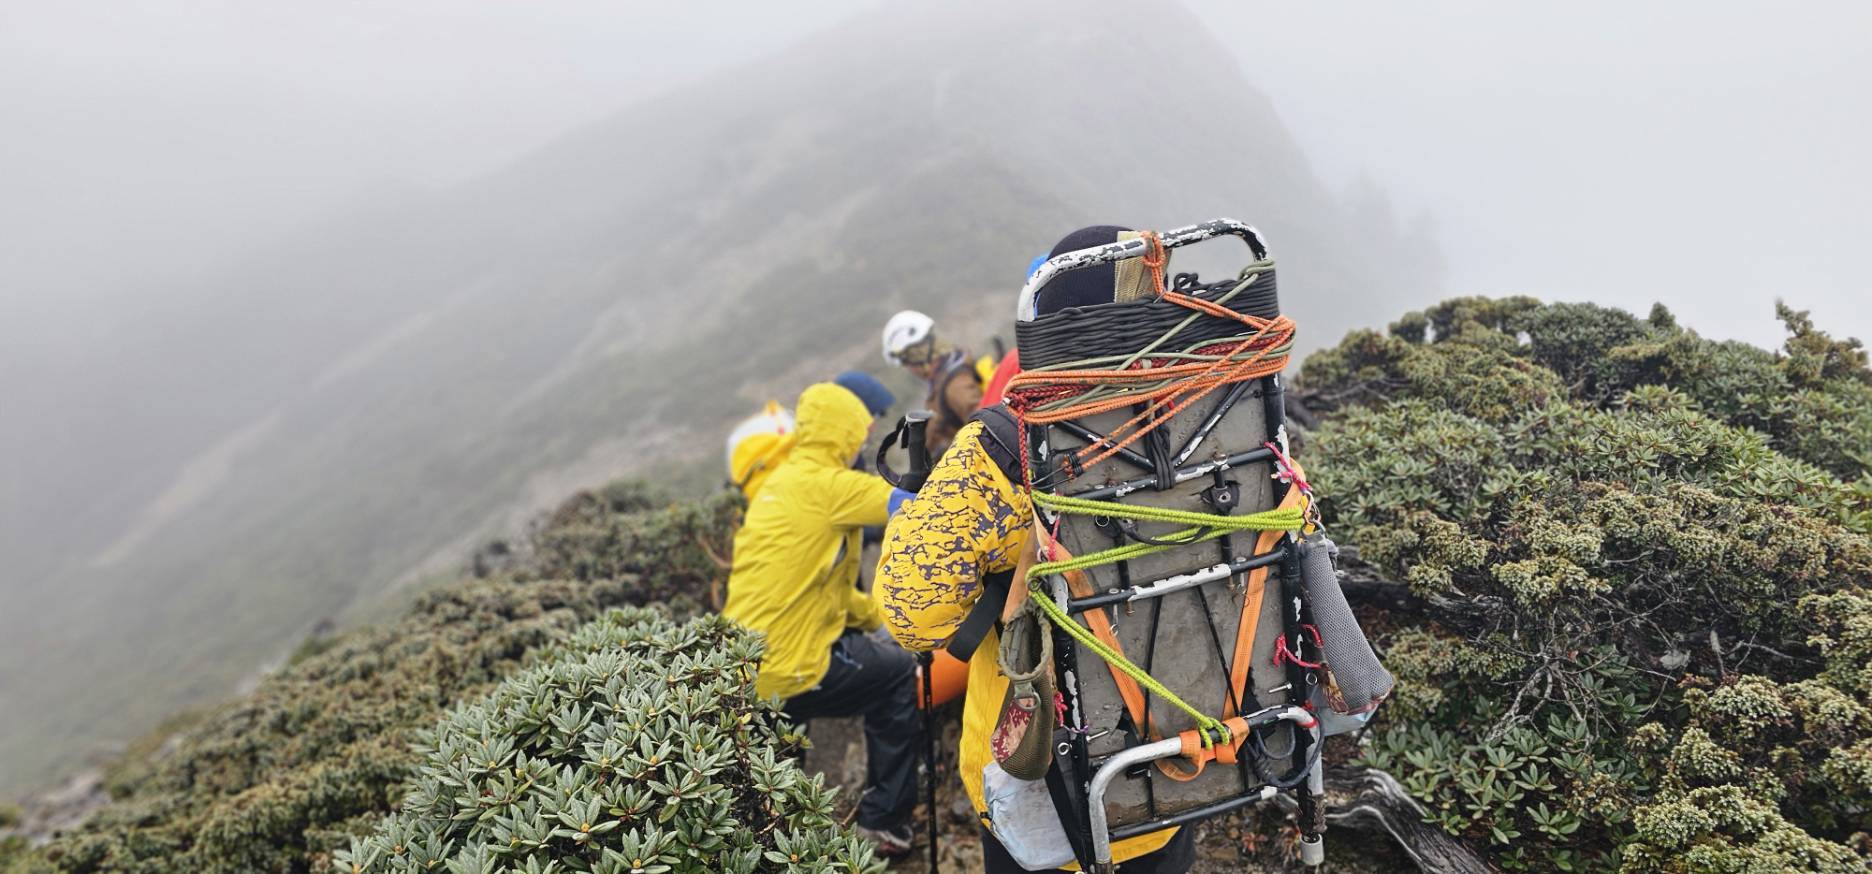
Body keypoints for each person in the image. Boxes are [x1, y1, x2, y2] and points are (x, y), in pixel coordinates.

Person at [875, 226, 1195, 873]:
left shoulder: (1001, 446)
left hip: (1045, 780)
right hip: (1185, 759)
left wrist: (936, 536)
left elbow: (913, 616)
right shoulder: (1217, 412)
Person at [721, 381, 922, 857]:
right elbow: (911, 506)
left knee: (776, 764)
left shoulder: (782, 482)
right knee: (895, 676)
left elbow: (828, 590)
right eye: (861, 434)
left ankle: (778, 847)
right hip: (791, 667)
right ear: (846, 435)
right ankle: (882, 823)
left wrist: (878, 619)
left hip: (739, 667)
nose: (864, 445)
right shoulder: (831, 485)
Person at [881, 310, 984, 459]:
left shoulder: (954, 386)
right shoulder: (946, 376)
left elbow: (988, 430)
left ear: (918, 355)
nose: (910, 369)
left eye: (907, 362)